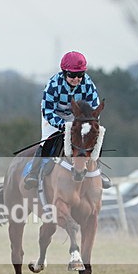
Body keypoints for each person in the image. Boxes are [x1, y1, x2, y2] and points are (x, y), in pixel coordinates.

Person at [24, 51, 110, 190]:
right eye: (72, 75)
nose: (76, 79)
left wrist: (87, 125)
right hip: (54, 115)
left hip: (78, 117)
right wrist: (62, 125)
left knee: (93, 137)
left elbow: (94, 110)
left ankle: (98, 171)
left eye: (80, 75)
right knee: (47, 141)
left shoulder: (88, 84)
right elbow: (47, 110)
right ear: (64, 73)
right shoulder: (53, 84)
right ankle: (33, 173)